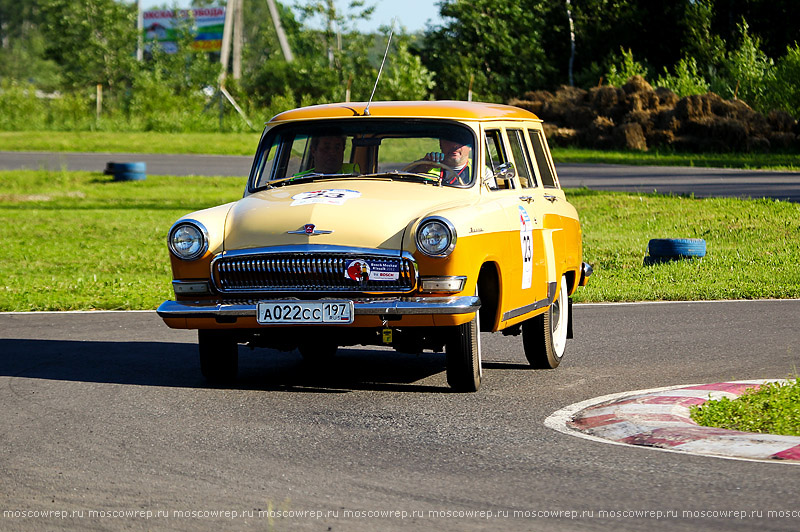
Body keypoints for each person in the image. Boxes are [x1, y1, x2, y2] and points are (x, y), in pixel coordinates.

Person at [423, 134, 493, 187]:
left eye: (461, 141)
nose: (454, 146)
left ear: (471, 146)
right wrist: (423, 166)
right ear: (441, 144)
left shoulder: (482, 171)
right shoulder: (427, 165)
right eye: (449, 141)